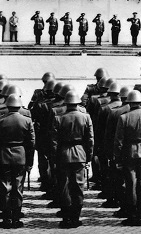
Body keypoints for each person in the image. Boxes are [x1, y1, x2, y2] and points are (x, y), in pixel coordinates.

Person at [114, 90, 141, 226]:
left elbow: (119, 141)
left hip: (129, 152)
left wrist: (117, 158)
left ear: (129, 102)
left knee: (130, 185)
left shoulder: (124, 117)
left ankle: (132, 215)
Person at [0, 94, 35, 229]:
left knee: (5, 188)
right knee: (18, 188)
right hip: (20, 156)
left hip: (3, 156)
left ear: (8, 105)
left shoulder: (0, 120)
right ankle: (16, 218)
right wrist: (30, 162)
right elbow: (31, 143)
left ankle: (7, 219)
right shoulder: (27, 120)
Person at [52, 90, 93, 228]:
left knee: (64, 186)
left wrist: (54, 157)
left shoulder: (58, 118)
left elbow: (54, 141)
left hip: (63, 154)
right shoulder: (86, 117)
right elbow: (90, 139)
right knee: (78, 186)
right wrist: (88, 157)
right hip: (80, 153)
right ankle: (75, 217)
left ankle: (66, 217)